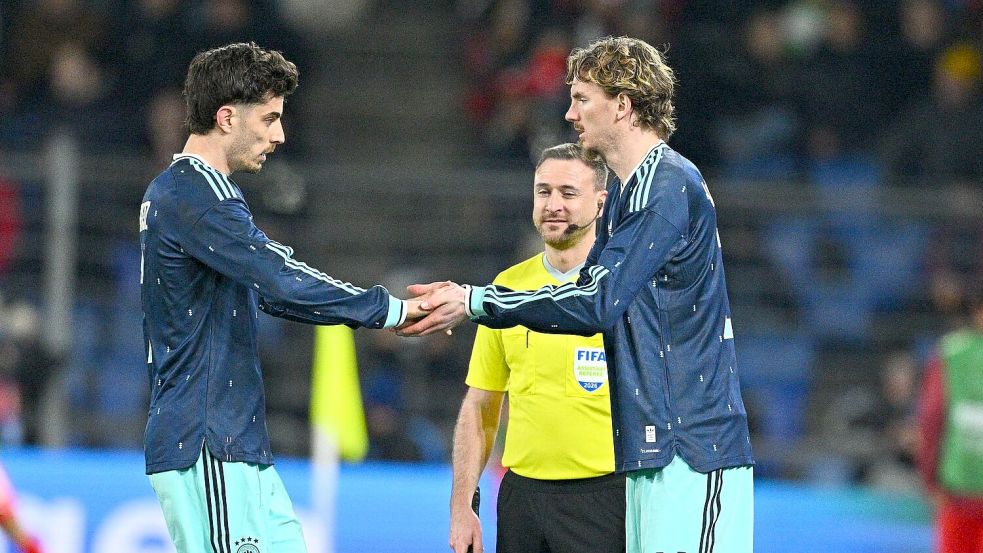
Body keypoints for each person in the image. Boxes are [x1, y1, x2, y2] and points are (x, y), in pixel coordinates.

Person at [401, 36, 754, 553]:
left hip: (695, 449)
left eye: (582, 98)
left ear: (624, 105)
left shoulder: (667, 184)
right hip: (652, 450)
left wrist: (477, 302)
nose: (570, 113)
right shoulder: (630, 195)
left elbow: (596, 300)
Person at [140, 42, 423, 553]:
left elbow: (270, 291)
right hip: (207, 441)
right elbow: (278, 277)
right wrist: (388, 309)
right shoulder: (195, 194)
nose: (280, 134)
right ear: (227, 117)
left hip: (231, 439)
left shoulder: (193, 192)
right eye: (269, 118)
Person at [449, 143, 623, 553]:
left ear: (601, 202)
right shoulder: (505, 289)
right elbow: (480, 405)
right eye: (543, 191)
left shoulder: (621, 288)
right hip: (522, 498)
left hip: (607, 496)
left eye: (568, 193)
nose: (553, 204)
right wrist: (462, 505)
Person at [917, 285, 983, 553]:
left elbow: (931, 419)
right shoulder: (949, 354)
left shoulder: (950, 353)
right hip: (958, 492)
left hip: (958, 488)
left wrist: (930, 478)